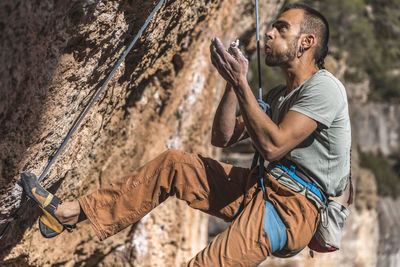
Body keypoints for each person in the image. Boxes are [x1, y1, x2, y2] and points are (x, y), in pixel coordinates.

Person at [21, 3, 351, 266]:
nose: (268, 33)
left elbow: (273, 146)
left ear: (307, 42)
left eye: (281, 28)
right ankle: (69, 213)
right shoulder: (280, 95)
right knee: (173, 165)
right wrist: (230, 84)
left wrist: (241, 83)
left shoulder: (325, 89)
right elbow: (221, 138)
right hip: (260, 189)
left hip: (292, 209)